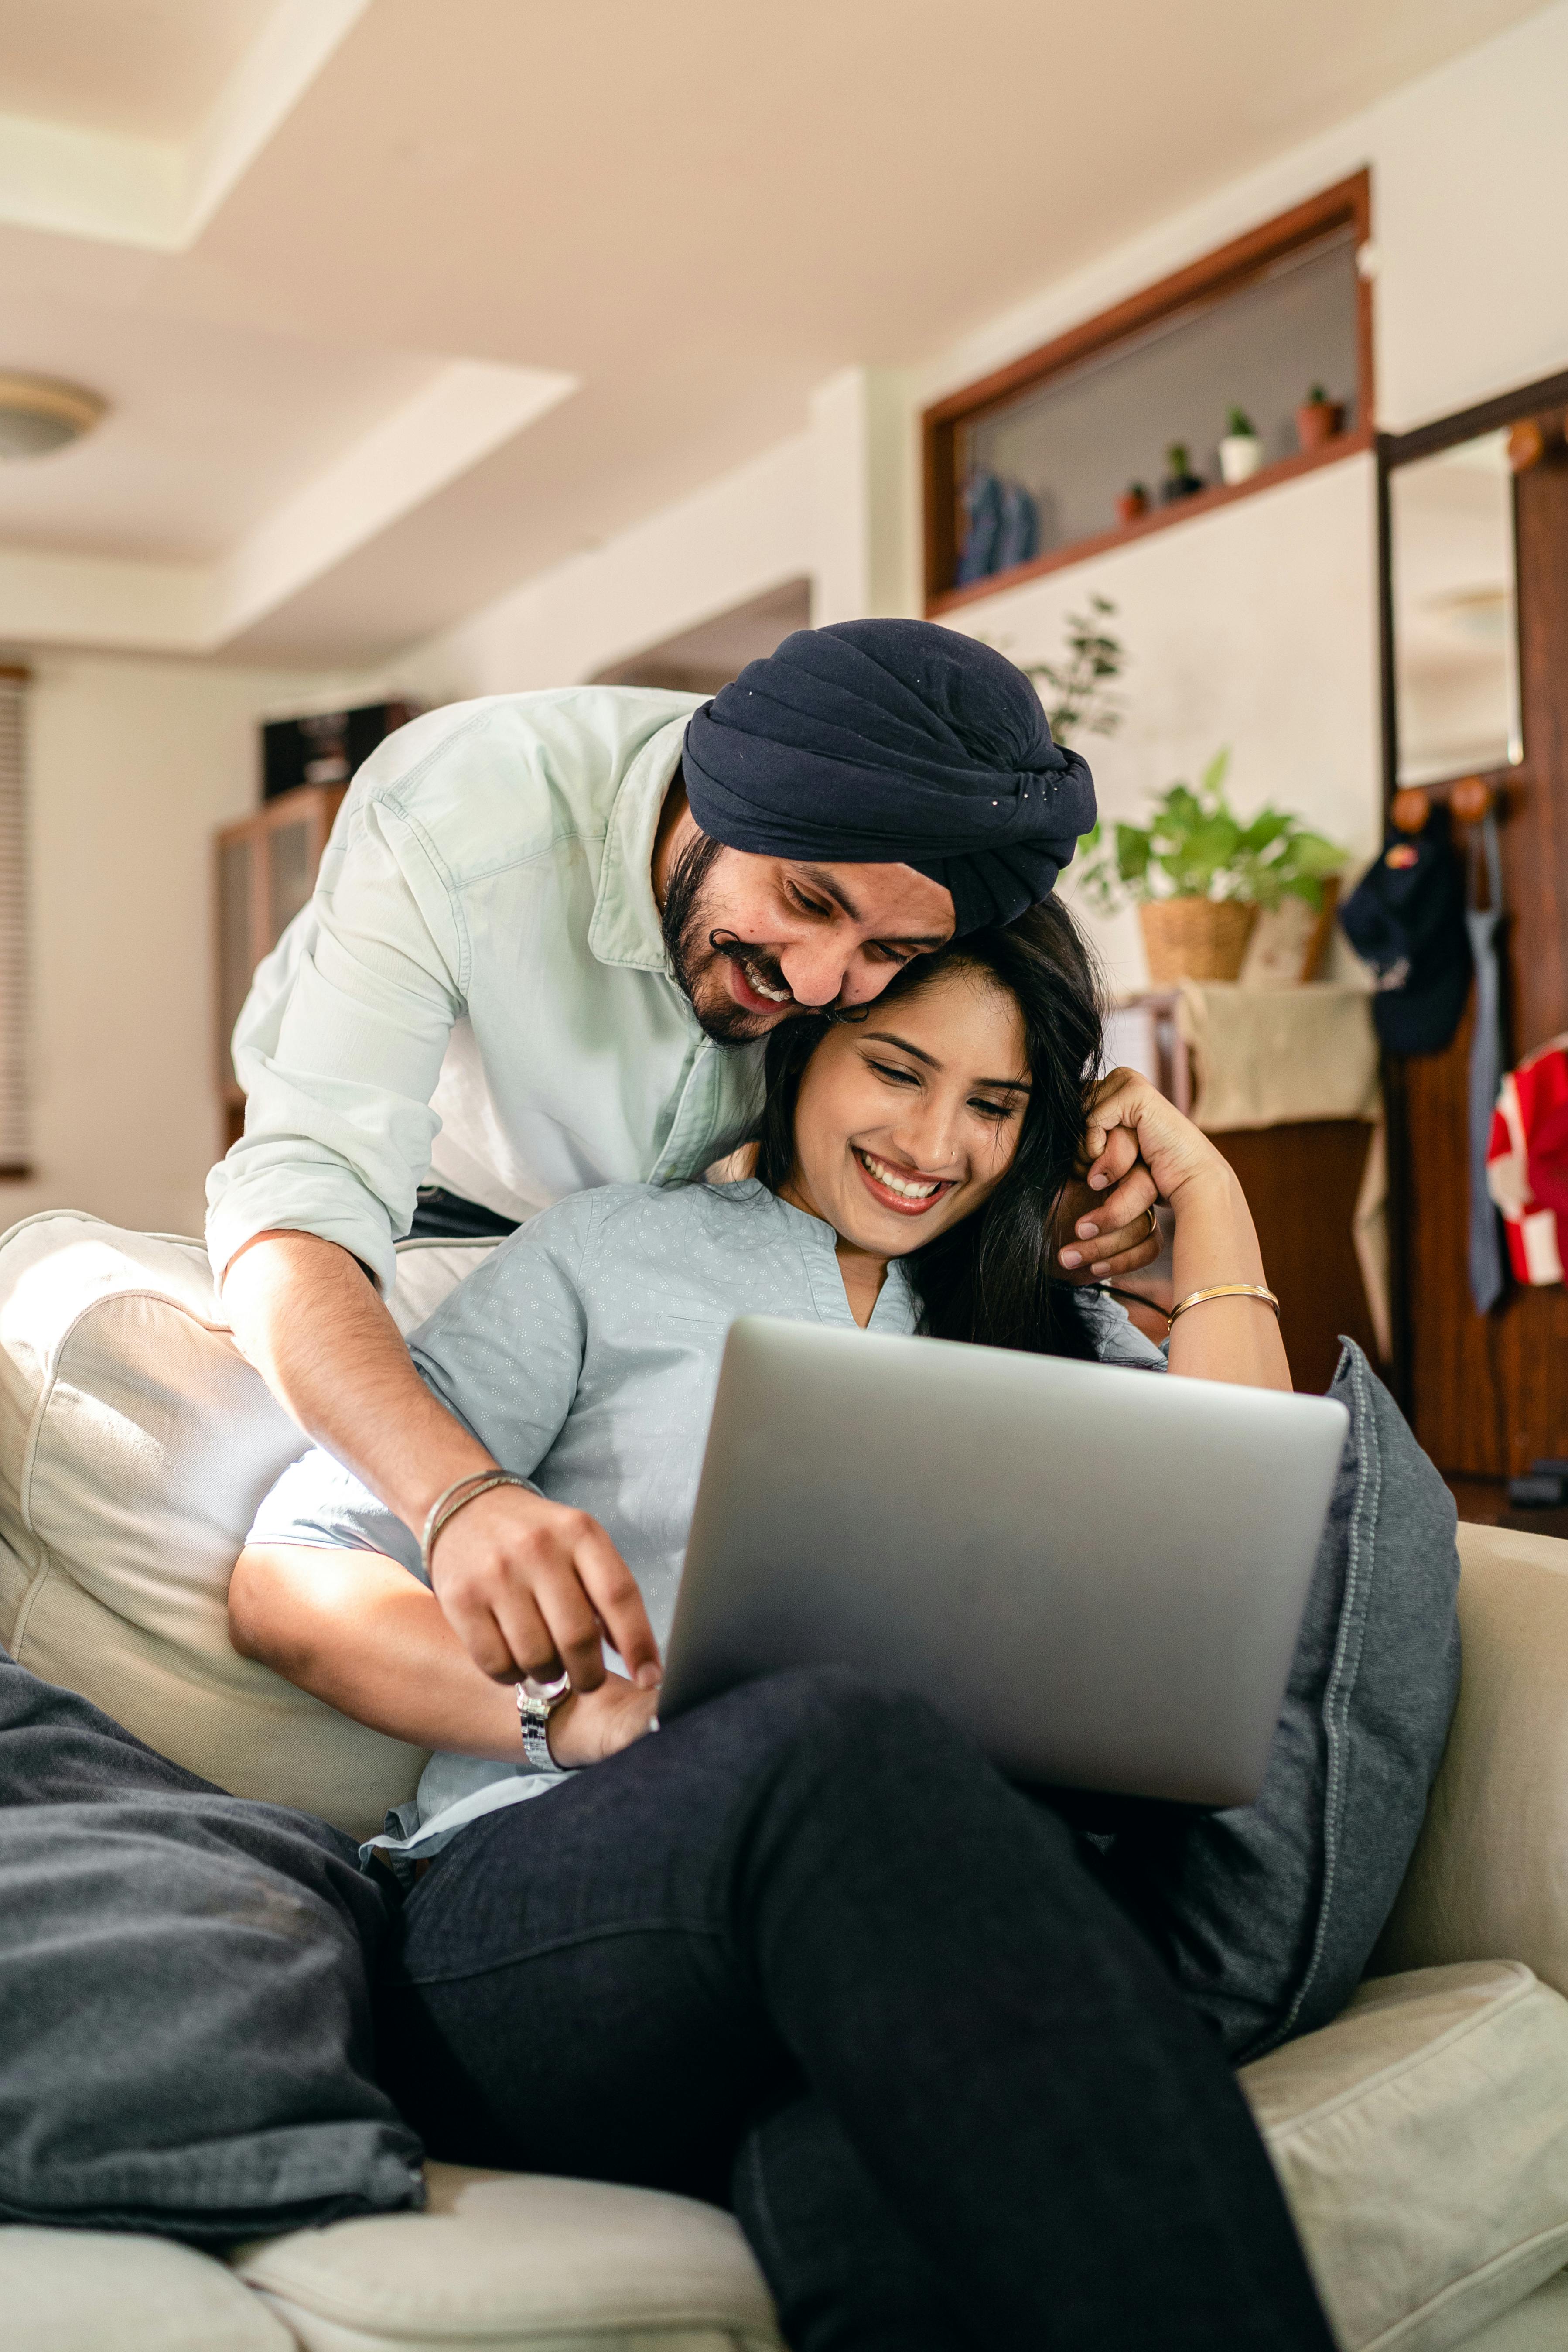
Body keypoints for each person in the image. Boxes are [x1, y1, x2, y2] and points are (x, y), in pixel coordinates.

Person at [228, 903, 1340, 2350]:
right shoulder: (610, 1254)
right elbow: (289, 1577)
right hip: (534, 1925)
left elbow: (1230, 1560)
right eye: (896, 1070)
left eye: (995, 1104)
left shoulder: (1039, 1323)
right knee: (839, 1731)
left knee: (886, 2184)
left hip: (875, 1959)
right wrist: (579, 1715)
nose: (936, 1141)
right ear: (804, 1047)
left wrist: (1208, 1195)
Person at [209, 621, 1162, 1709]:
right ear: (712, 803)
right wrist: (461, 1496)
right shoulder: (460, 818)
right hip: (426, 1209)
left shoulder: (871, 961)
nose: (815, 985)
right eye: (807, 902)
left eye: (886, 958)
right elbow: (301, 1202)